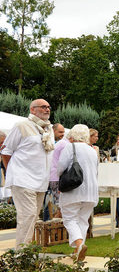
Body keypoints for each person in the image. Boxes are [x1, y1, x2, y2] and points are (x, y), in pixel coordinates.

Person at [1, 99, 54, 247]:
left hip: (41, 181)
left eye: (48, 107)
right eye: (43, 107)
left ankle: (26, 251)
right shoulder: (21, 126)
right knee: (28, 215)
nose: (47, 109)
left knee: (33, 216)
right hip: (22, 179)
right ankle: (21, 254)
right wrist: (11, 170)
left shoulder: (48, 129)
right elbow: (5, 151)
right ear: (32, 110)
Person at [57, 125, 98, 261]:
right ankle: (77, 251)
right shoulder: (92, 150)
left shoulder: (70, 147)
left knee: (69, 219)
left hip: (74, 189)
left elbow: (61, 167)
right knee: (82, 220)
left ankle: (79, 244)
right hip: (91, 191)